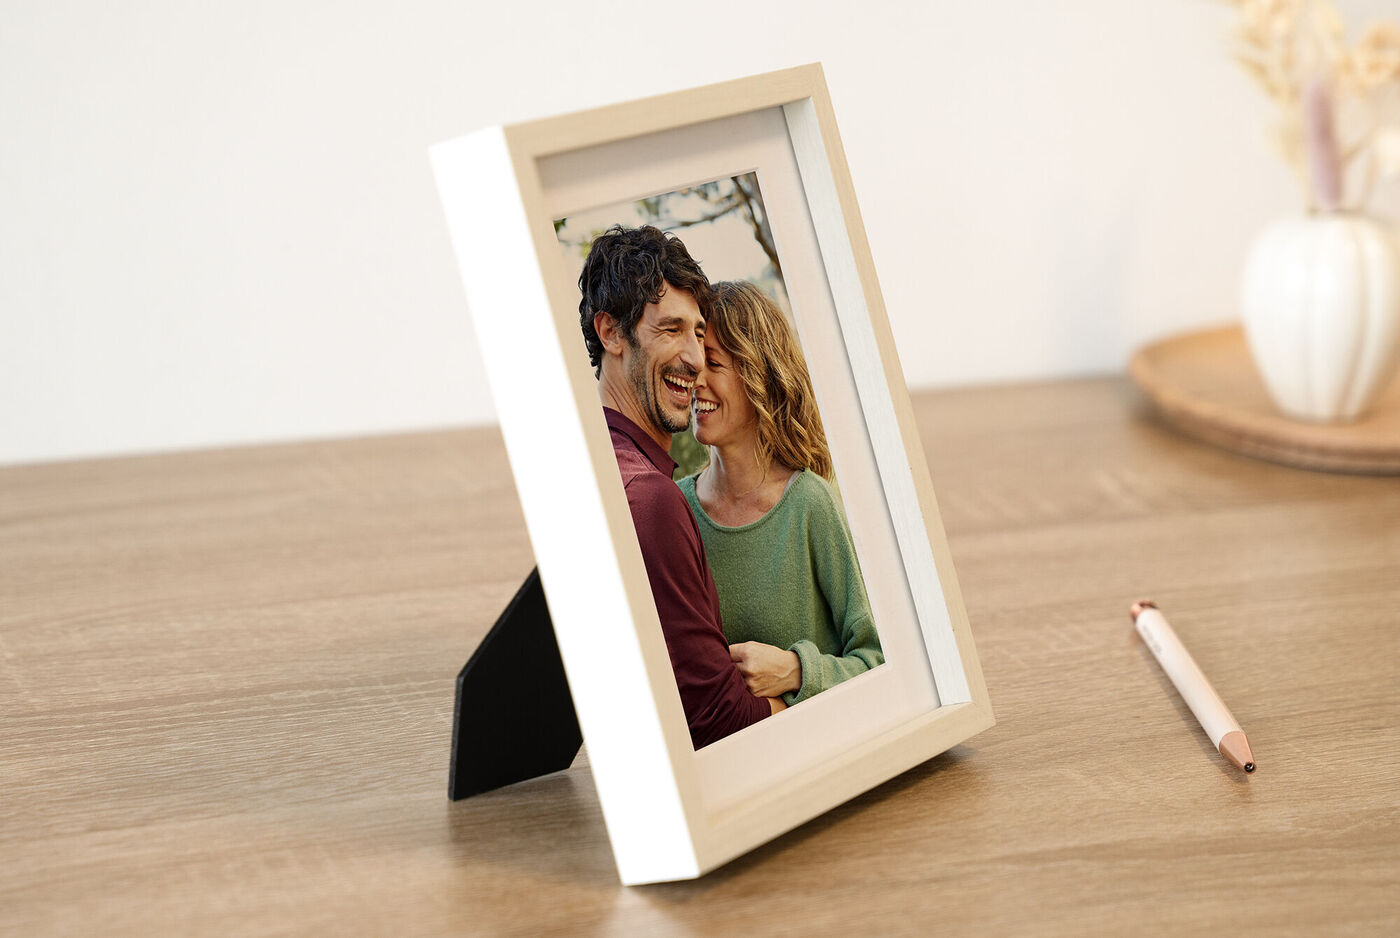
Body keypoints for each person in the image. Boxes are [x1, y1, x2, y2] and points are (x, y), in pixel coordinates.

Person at [578, 226, 781, 750]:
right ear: (611, 333)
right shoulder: (650, 498)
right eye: (671, 329)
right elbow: (720, 722)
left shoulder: (589, 470)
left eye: (699, 333)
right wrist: (813, 696)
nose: (694, 359)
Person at [680, 280, 882, 707]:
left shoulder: (810, 504)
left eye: (712, 363)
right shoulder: (676, 510)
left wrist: (796, 670)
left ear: (758, 375)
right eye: (694, 364)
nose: (696, 380)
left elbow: (877, 661)